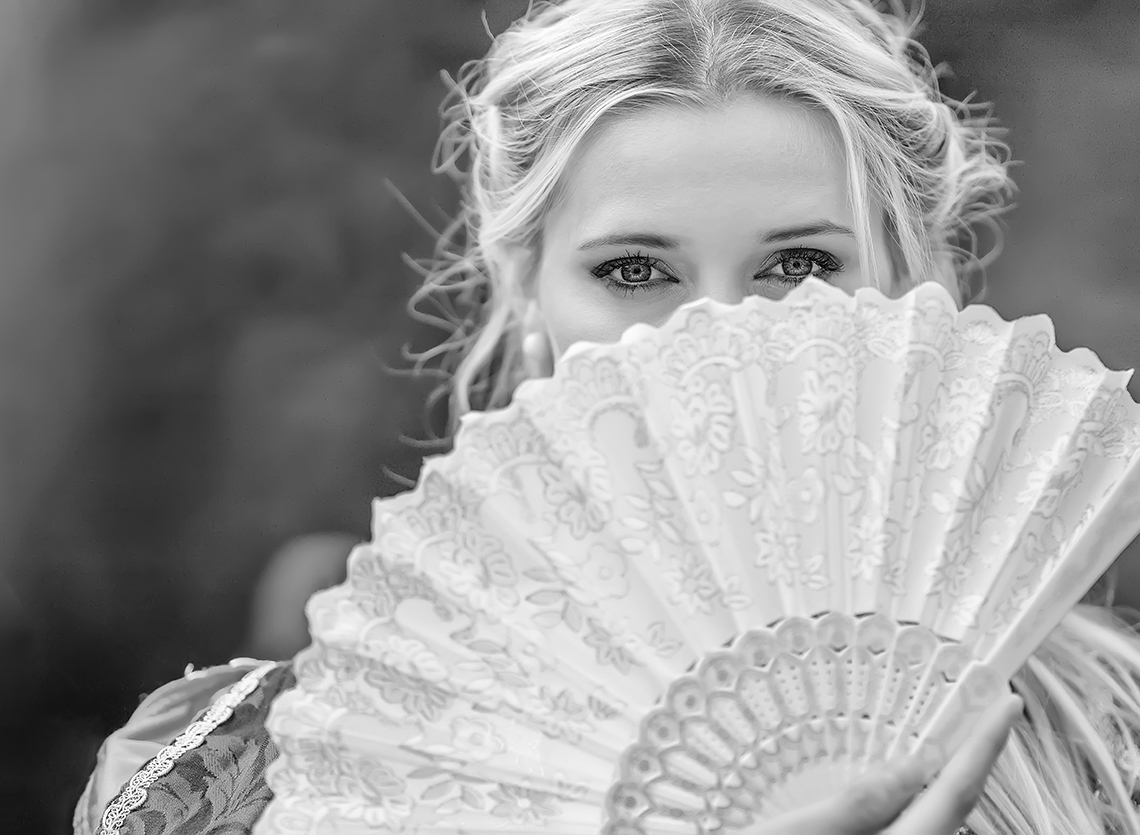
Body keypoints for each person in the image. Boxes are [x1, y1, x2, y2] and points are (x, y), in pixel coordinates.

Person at [73, 1, 1140, 834]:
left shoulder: (1112, 749)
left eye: (798, 266)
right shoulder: (248, 780)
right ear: (526, 296)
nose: (715, 336)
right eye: (635, 270)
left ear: (912, 298)